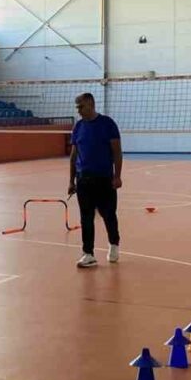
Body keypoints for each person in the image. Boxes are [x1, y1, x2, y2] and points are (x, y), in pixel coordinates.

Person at [67, 92, 123, 268]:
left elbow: (117, 152)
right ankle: (88, 253)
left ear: (91, 104)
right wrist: (71, 181)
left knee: (108, 214)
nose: (78, 110)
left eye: (81, 106)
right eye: (77, 107)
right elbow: (73, 156)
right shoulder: (78, 127)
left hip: (104, 179)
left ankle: (114, 244)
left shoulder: (107, 124)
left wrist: (117, 176)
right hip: (83, 180)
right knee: (86, 217)